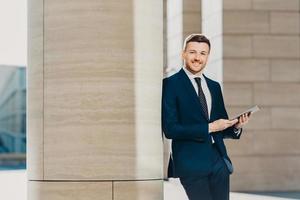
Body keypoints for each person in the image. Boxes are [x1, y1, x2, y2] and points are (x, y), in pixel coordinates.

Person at [162, 34, 250, 200]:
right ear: (183, 54)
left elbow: (220, 128)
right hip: (190, 162)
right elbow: (170, 129)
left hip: (218, 161)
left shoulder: (214, 87)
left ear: (208, 56)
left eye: (203, 53)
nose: (197, 58)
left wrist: (236, 126)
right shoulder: (170, 85)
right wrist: (210, 127)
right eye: (193, 52)